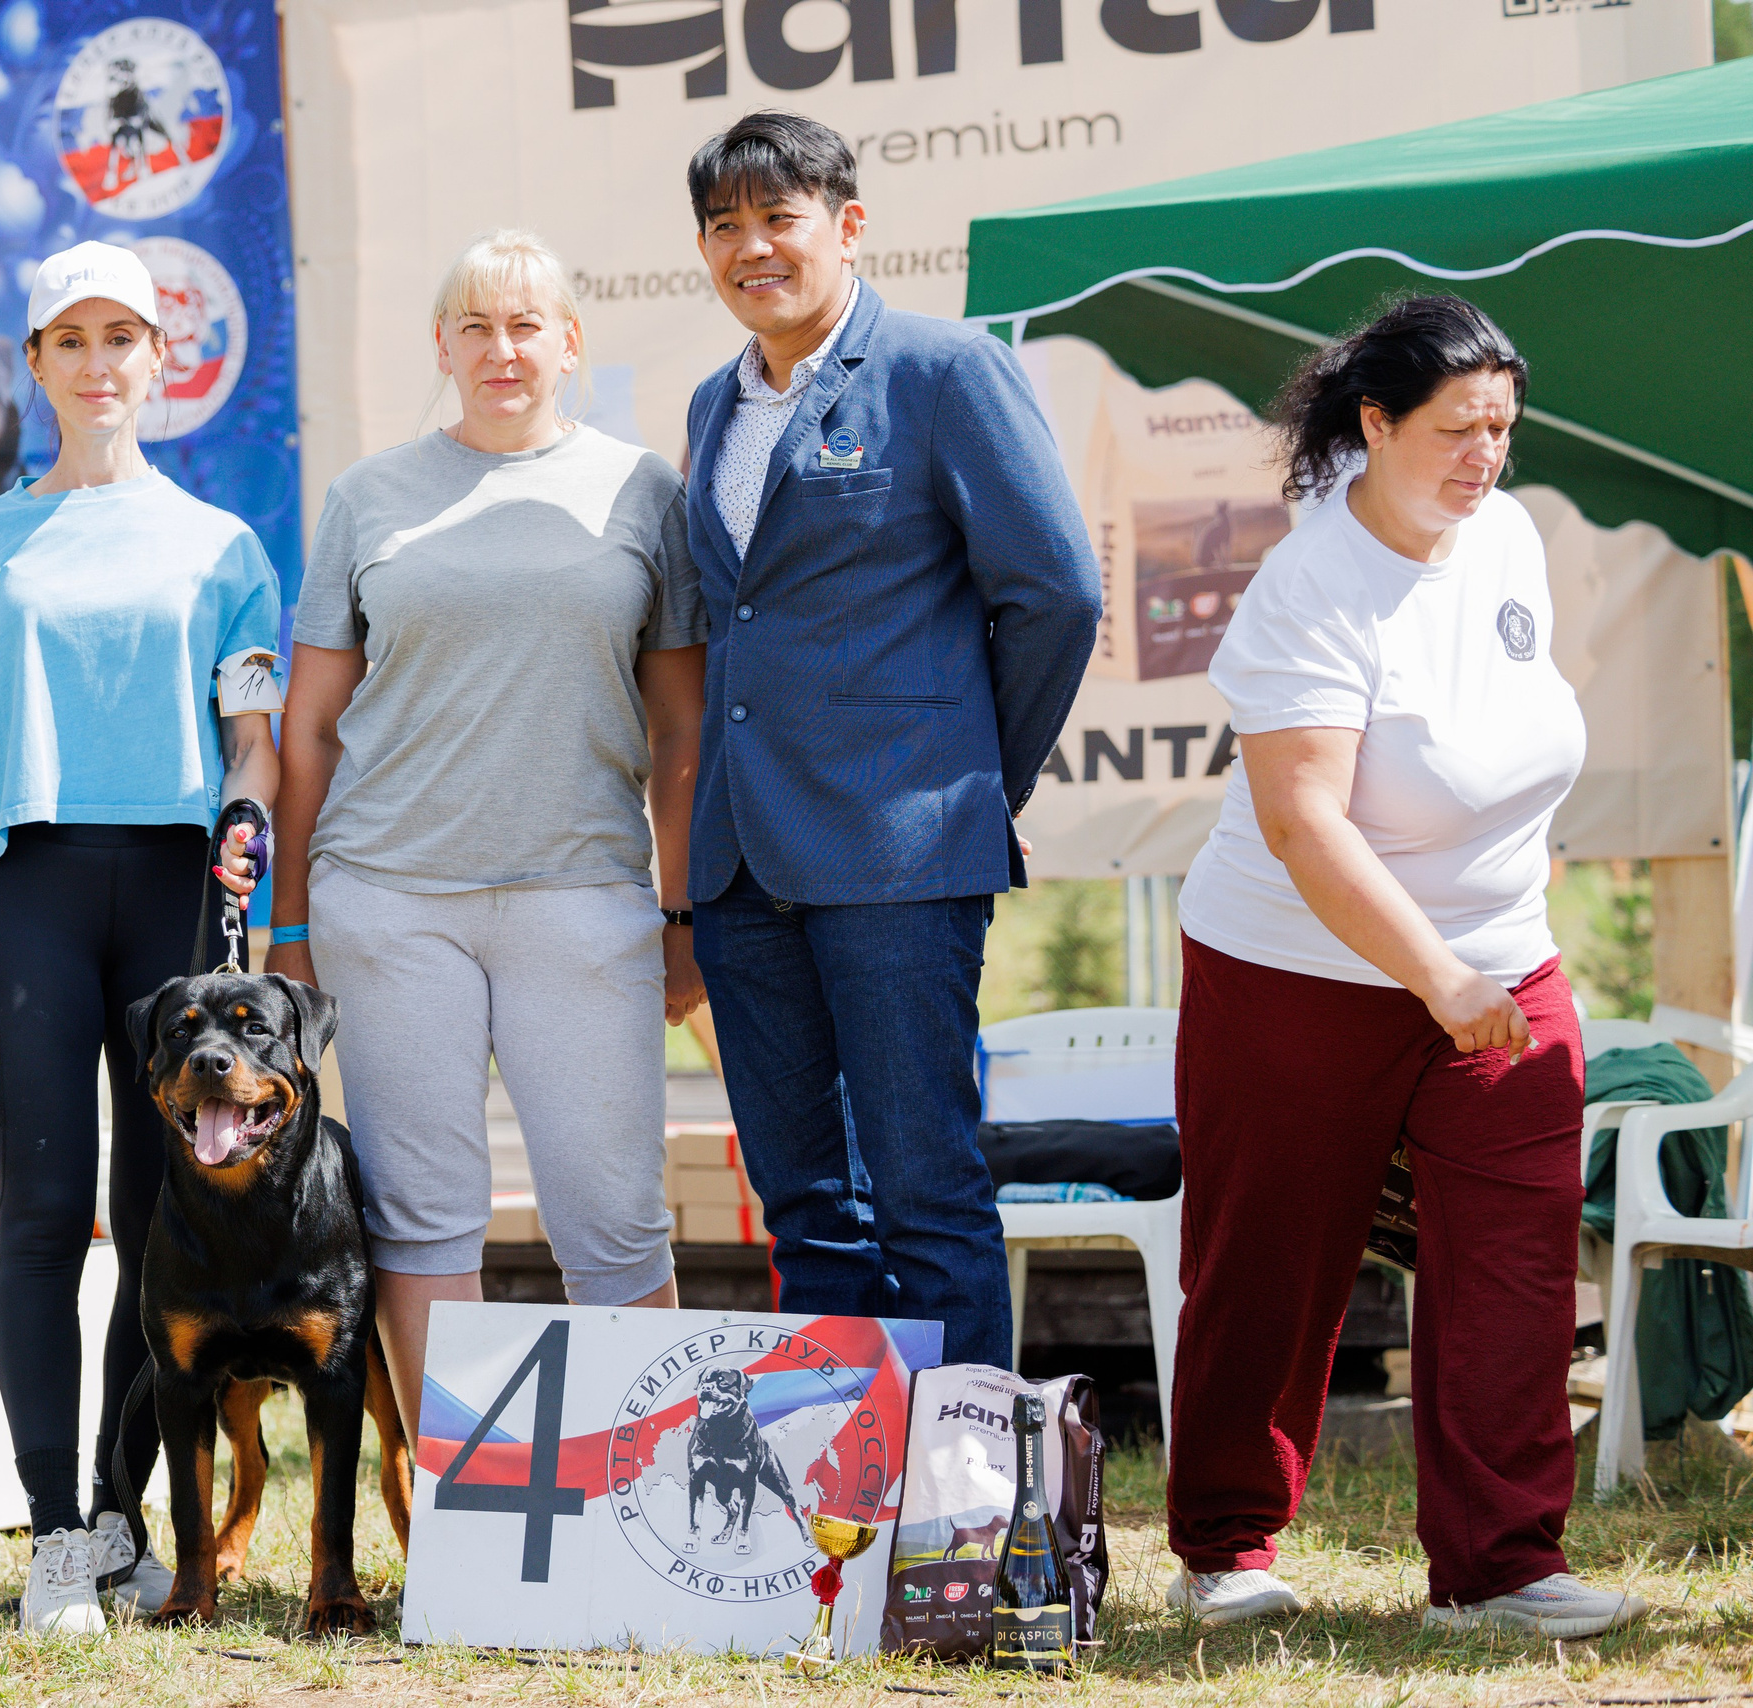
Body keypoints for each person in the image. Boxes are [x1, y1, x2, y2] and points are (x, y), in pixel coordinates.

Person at [1161, 295, 1640, 1637]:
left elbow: (1509, 722)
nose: (1487, 453)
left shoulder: (1512, 536)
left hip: (1498, 963)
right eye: (1456, 427)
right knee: (1276, 1259)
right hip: (1293, 968)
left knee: (1518, 1255)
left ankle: (1499, 1571)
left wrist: (1508, 884)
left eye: (1503, 424)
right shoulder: (1307, 588)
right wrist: (1436, 976)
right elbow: (1306, 822)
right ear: (1376, 426)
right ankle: (1224, 1541)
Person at [0, 241, 281, 1637]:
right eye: (73, 338)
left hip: (182, 897)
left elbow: (254, 734)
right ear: (41, 363)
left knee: (155, 1220)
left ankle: (123, 1511)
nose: (102, 359)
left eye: (126, 334)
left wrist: (248, 817)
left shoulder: (223, 546)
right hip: (37, 895)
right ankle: (54, 1533)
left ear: (159, 358)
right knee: (47, 1216)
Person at [266, 229, 707, 1437]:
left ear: (570, 343)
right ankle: (467, 1509)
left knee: (612, 1215)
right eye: (475, 325)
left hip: (583, 895)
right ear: (443, 348)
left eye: (527, 325)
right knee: (422, 1217)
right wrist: (287, 926)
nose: (501, 348)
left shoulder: (642, 492)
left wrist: (680, 919)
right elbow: (307, 732)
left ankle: (640, 1493)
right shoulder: (368, 498)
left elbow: (682, 732)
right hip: (388, 901)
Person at [677, 112, 1099, 1366]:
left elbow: (1056, 595)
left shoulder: (942, 369)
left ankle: (963, 1519)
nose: (750, 247)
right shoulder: (713, 404)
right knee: (807, 1204)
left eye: (777, 217)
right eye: (722, 226)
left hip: (902, 852)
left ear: (847, 226)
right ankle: (845, 1507)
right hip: (743, 865)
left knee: (925, 1193)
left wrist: (969, 776)